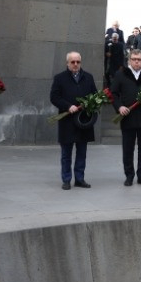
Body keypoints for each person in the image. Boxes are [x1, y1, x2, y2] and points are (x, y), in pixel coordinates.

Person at [50, 51, 97, 190]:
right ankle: (66, 179)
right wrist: (68, 106)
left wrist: (90, 104)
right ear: (67, 63)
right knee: (66, 154)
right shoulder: (60, 78)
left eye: (78, 62)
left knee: (82, 152)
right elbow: (54, 97)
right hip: (67, 121)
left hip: (83, 121)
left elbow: (94, 95)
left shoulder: (88, 77)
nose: (75, 64)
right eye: (73, 62)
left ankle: (79, 179)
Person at [111, 49, 141, 186]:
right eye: (134, 59)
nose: (137, 62)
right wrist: (119, 107)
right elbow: (113, 94)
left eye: (139, 59)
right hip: (127, 117)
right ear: (129, 60)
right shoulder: (120, 74)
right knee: (128, 148)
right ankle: (129, 176)